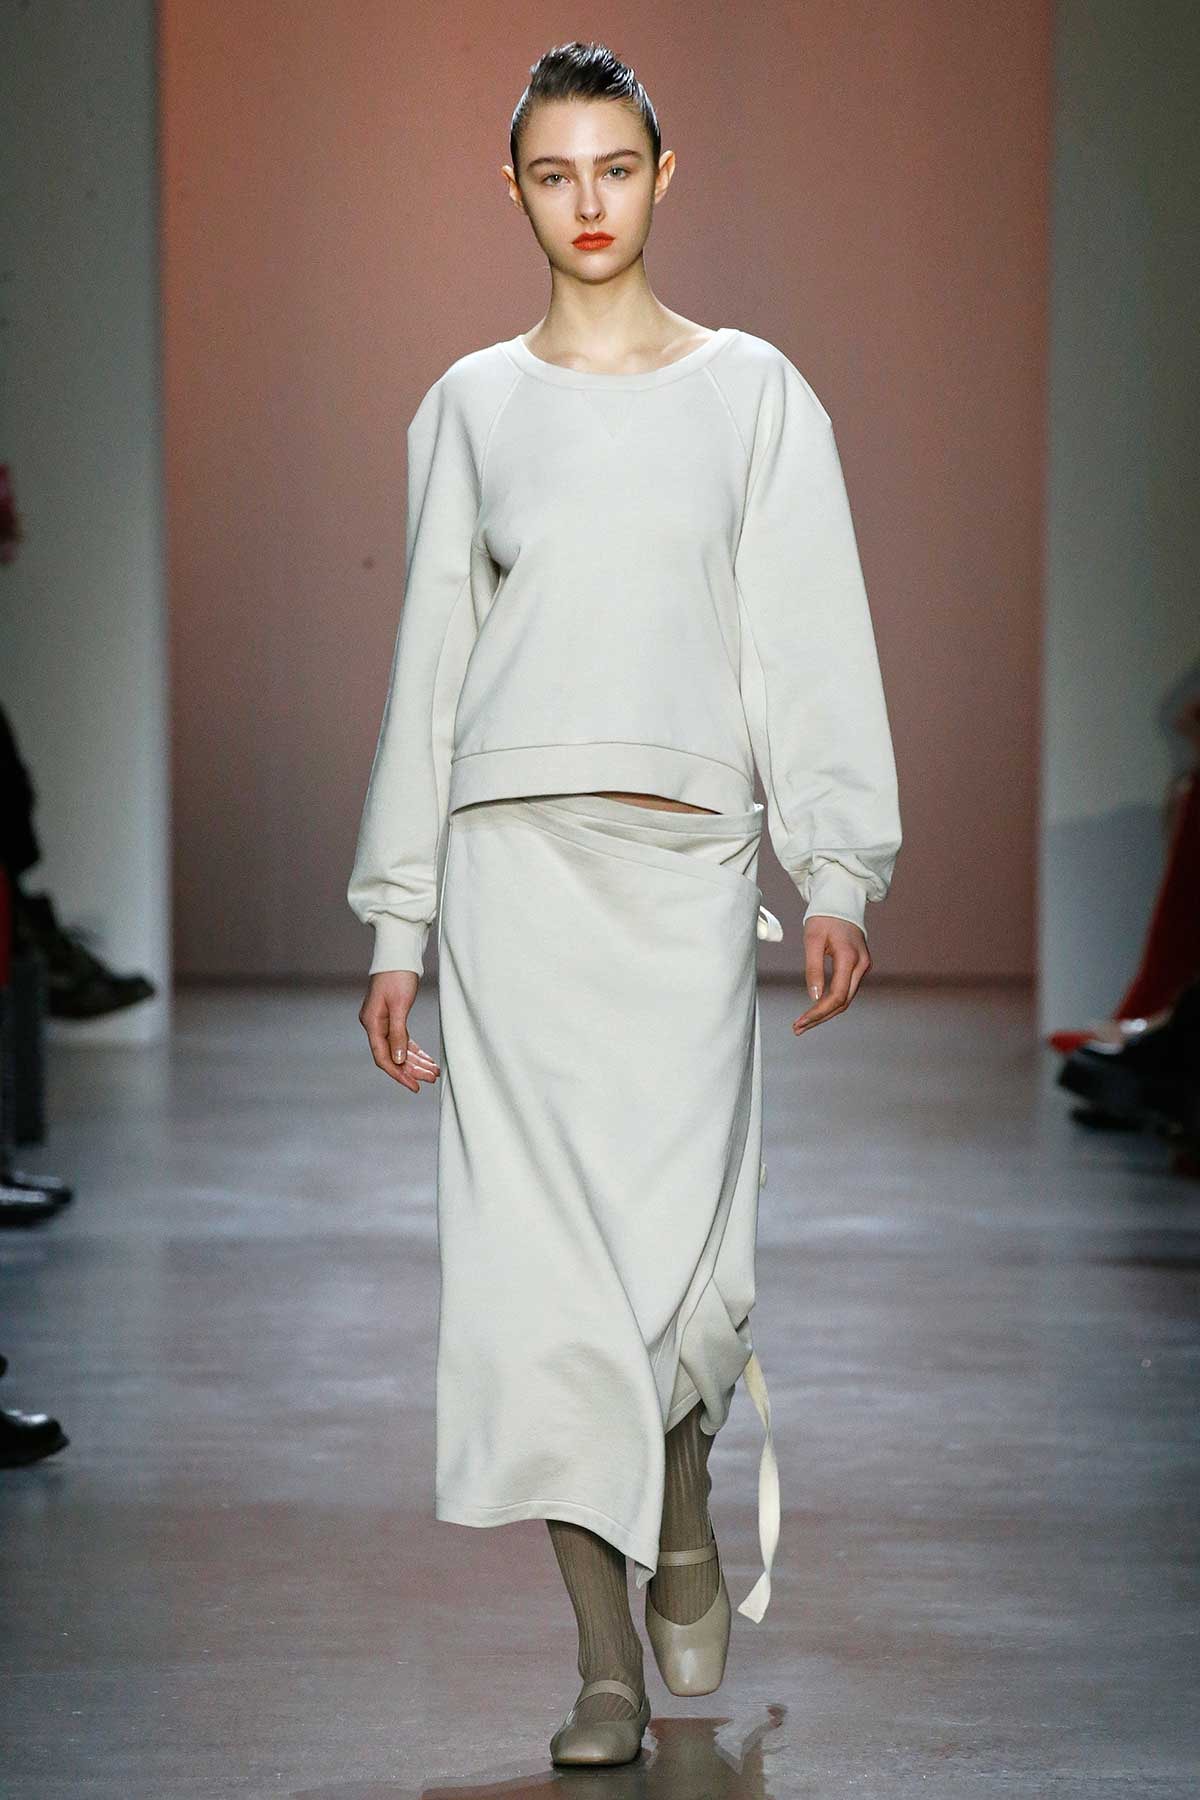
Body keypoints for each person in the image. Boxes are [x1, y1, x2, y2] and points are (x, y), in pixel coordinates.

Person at [347, 40, 902, 1769]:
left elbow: (806, 636)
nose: (586, 202)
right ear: (513, 191)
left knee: (685, 1273)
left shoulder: (754, 395)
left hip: (683, 881)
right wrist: (400, 920)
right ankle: (602, 1665)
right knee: (539, 1286)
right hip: (512, 877)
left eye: (613, 167)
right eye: (553, 173)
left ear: (666, 175)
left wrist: (837, 864)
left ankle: (680, 1495)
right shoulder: (469, 406)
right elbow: (431, 669)